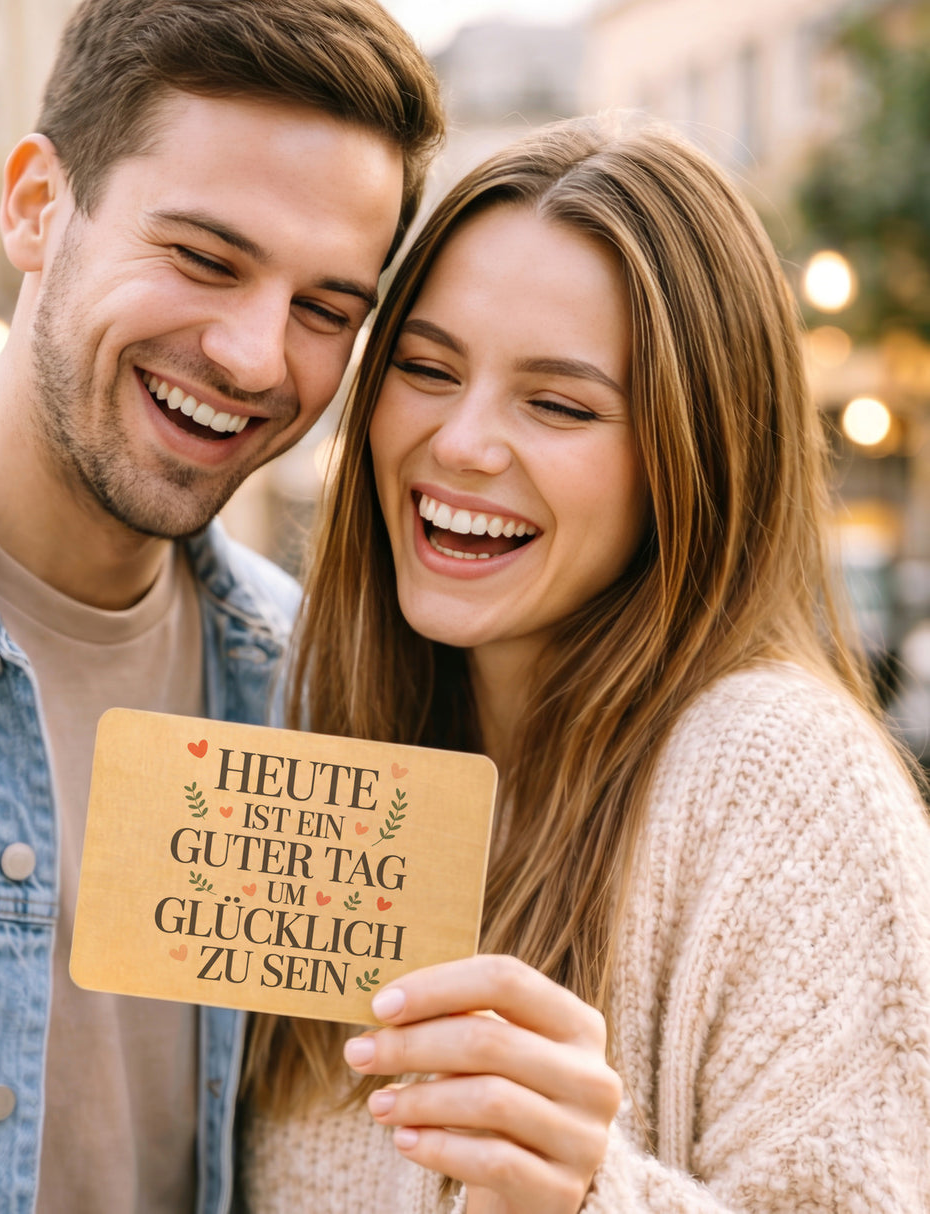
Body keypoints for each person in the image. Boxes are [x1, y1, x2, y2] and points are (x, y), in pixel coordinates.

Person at [0, 2, 443, 1211]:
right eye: (204, 258)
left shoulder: (316, 693)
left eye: (325, 308)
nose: (257, 356)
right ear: (36, 207)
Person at [240, 115, 930, 1212]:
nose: (462, 441)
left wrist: (585, 1193)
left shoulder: (785, 784)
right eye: (424, 367)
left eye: (556, 403)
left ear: (688, 455)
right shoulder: (325, 725)